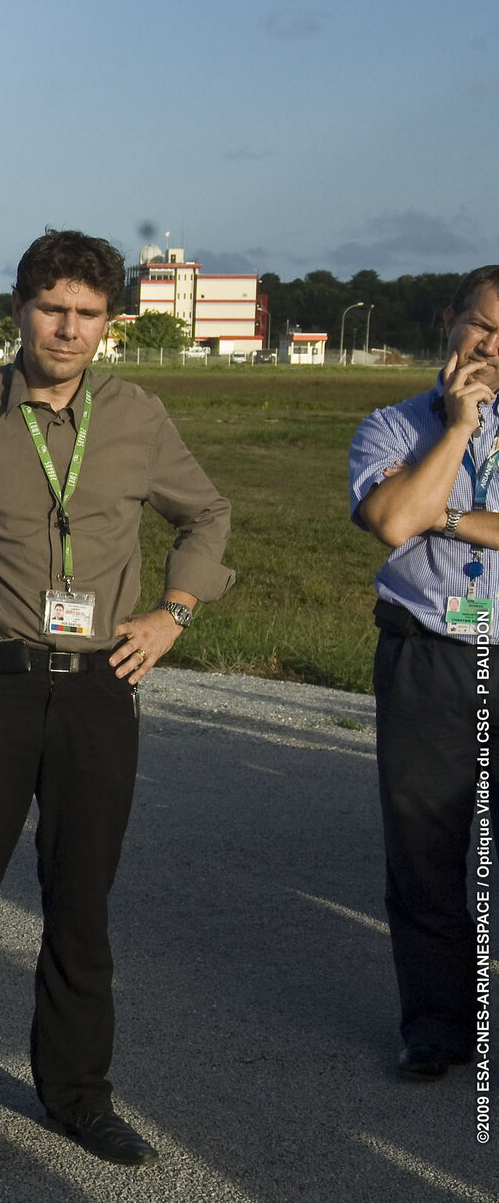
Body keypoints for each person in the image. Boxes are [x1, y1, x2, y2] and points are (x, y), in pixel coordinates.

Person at [0, 230, 234, 1173]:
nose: (69, 330)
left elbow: (206, 513)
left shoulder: (138, 417)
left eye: (88, 314)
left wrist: (173, 612)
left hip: (98, 686)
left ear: (110, 322)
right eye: (53, 309)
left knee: (80, 908)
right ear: (20, 310)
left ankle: (79, 1097)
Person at [348, 263, 499, 1082]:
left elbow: (422, 516)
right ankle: (439, 1026)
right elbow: (396, 520)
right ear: (451, 321)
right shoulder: (392, 427)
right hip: (429, 654)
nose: (491, 346)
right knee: (427, 850)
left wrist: (446, 515)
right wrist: (455, 432)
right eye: (482, 325)